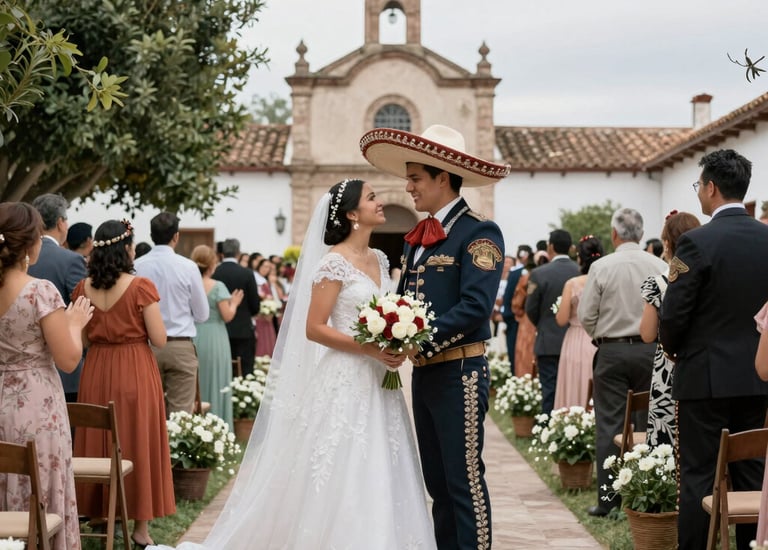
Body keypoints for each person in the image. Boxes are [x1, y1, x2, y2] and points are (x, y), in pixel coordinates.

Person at [147, 179, 436, 550]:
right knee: (341, 465)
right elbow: (314, 328)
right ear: (351, 214)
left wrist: (395, 341)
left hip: (379, 380)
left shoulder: (380, 259)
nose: (381, 203)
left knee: (383, 460)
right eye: (372, 198)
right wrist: (369, 349)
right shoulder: (334, 262)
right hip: (346, 376)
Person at [361, 123, 510, 549]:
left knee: (464, 480)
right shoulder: (417, 239)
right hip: (426, 374)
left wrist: (416, 338)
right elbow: (408, 301)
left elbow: (475, 307)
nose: (407, 187)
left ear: (442, 178)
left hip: (461, 370)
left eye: (415, 178)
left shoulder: (480, 232)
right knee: (437, 483)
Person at [659, 149, 768, 550]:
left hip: (704, 378)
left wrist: (672, 349)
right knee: (753, 474)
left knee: (698, 476)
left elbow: (674, 313)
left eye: (698, 186)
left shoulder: (696, 243)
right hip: (759, 376)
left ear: (711, 187)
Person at [72, 219, 176, 548]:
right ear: (127, 248)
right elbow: (159, 339)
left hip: (97, 369)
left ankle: (105, 514)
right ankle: (140, 528)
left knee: (100, 439)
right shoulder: (141, 287)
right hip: (134, 369)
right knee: (138, 439)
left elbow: (85, 339)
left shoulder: (81, 288)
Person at [0, 201, 93, 550]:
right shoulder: (40, 291)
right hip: (37, 404)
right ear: (29, 243)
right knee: (43, 481)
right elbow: (68, 359)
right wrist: (75, 323)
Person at [577, 207, 667, 517]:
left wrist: (602, 336)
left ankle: (609, 500)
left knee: (609, 424)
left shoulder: (601, 266)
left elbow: (586, 315)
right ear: (641, 235)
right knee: (651, 424)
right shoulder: (659, 264)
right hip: (651, 350)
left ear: (614, 234)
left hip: (612, 351)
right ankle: (650, 496)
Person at [135, 212, 209, 414]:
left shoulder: (136, 266)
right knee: (181, 417)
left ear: (151, 235)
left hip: (146, 346)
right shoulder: (188, 267)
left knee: (149, 412)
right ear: (176, 236)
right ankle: (177, 447)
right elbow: (202, 314)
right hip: (180, 345)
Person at [639, 211, 700, 448]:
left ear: (666, 243)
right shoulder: (707, 277)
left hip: (667, 367)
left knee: (667, 435)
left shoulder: (658, 283)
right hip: (701, 361)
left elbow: (647, 334)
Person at [28, 193, 88, 403]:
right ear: (61, 223)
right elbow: (83, 306)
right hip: (63, 365)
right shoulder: (71, 260)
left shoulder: (18, 256)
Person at [525, 229, 579, 416]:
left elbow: (531, 309)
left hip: (548, 341)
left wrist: (544, 325)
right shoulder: (580, 271)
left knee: (549, 389)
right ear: (570, 248)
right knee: (575, 390)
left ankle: (548, 428)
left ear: (551, 247)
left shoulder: (539, 273)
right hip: (576, 342)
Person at [190, 244, 244, 429]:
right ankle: (218, 425)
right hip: (215, 337)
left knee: (197, 379)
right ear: (213, 263)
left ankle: (196, 425)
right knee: (217, 378)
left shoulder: (190, 284)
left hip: (195, 336)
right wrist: (235, 303)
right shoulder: (218, 286)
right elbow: (227, 316)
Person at [553, 235, 603, 410]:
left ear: (580, 258)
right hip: (599, 340)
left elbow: (561, 320)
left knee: (574, 380)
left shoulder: (573, 284)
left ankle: (573, 425)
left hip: (575, 340)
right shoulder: (605, 280)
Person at [213, 239, 261, 376]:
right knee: (245, 371)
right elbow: (255, 305)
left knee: (222, 371)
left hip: (220, 329)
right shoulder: (246, 273)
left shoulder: (215, 272)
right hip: (243, 330)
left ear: (221, 253)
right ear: (238, 253)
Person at [253, 258, 278, 357]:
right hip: (260, 315)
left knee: (269, 338)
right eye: (264, 266)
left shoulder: (266, 281)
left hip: (268, 314)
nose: (266, 269)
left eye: (268, 267)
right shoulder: (256, 280)